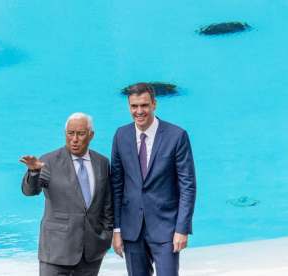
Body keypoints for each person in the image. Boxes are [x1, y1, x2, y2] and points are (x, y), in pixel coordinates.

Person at [111, 82, 196, 276]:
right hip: (132, 229)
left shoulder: (177, 135)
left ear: (154, 104)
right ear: (129, 106)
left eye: (144, 105)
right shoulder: (120, 135)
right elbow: (116, 185)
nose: (139, 111)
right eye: (134, 106)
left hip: (166, 228)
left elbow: (188, 186)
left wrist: (182, 229)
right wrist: (117, 230)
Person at [19, 112, 113, 276]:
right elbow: (30, 191)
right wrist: (34, 171)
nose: (74, 139)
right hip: (56, 250)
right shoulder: (48, 161)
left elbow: (107, 204)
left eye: (80, 134)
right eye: (70, 133)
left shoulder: (102, 162)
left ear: (91, 135)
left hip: (91, 252)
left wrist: (106, 236)